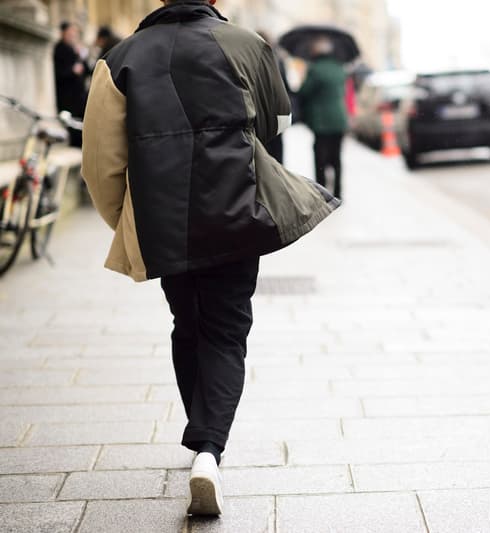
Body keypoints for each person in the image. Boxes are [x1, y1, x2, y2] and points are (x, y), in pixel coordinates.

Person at [81, 0, 339, 517]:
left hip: (163, 218)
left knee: (187, 323)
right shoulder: (249, 46)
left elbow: (100, 162)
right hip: (235, 207)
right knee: (225, 329)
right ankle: (208, 450)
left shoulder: (119, 59)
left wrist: (126, 222)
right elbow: (276, 124)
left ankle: (201, 435)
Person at [297, 37, 348, 199]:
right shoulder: (340, 68)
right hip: (339, 119)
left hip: (321, 121)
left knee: (320, 157)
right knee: (337, 157)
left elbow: (304, 92)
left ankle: (323, 194)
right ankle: (338, 192)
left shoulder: (316, 69)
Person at [53, 21, 89, 147]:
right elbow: (58, 73)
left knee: (81, 122)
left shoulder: (76, 49)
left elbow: (86, 70)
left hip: (79, 96)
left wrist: (82, 55)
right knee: (72, 125)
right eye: (70, 33)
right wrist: (72, 71)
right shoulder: (60, 49)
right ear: (63, 33)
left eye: (74, 33)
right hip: (67, 96)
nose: (72, 35)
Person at [257, 31, 290, 163]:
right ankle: (277, 175)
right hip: (277, 112)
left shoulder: (253, 58)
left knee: (262, 149)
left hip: (260, 112)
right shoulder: (278, 59)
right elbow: (285, 88)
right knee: (276, 151)